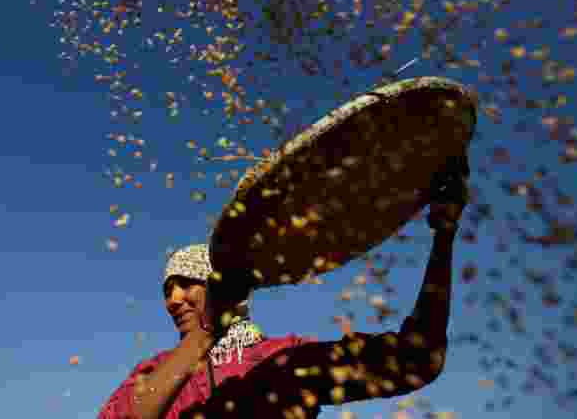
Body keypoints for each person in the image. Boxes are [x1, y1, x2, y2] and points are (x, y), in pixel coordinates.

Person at [97, 156, 471, 419]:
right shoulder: (153, 374)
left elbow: (419, 359)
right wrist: (205, 337)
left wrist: (444, 237)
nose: (173, 299)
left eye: (188, 284)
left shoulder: (283, 362)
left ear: (221, 287)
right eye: (167, 289)